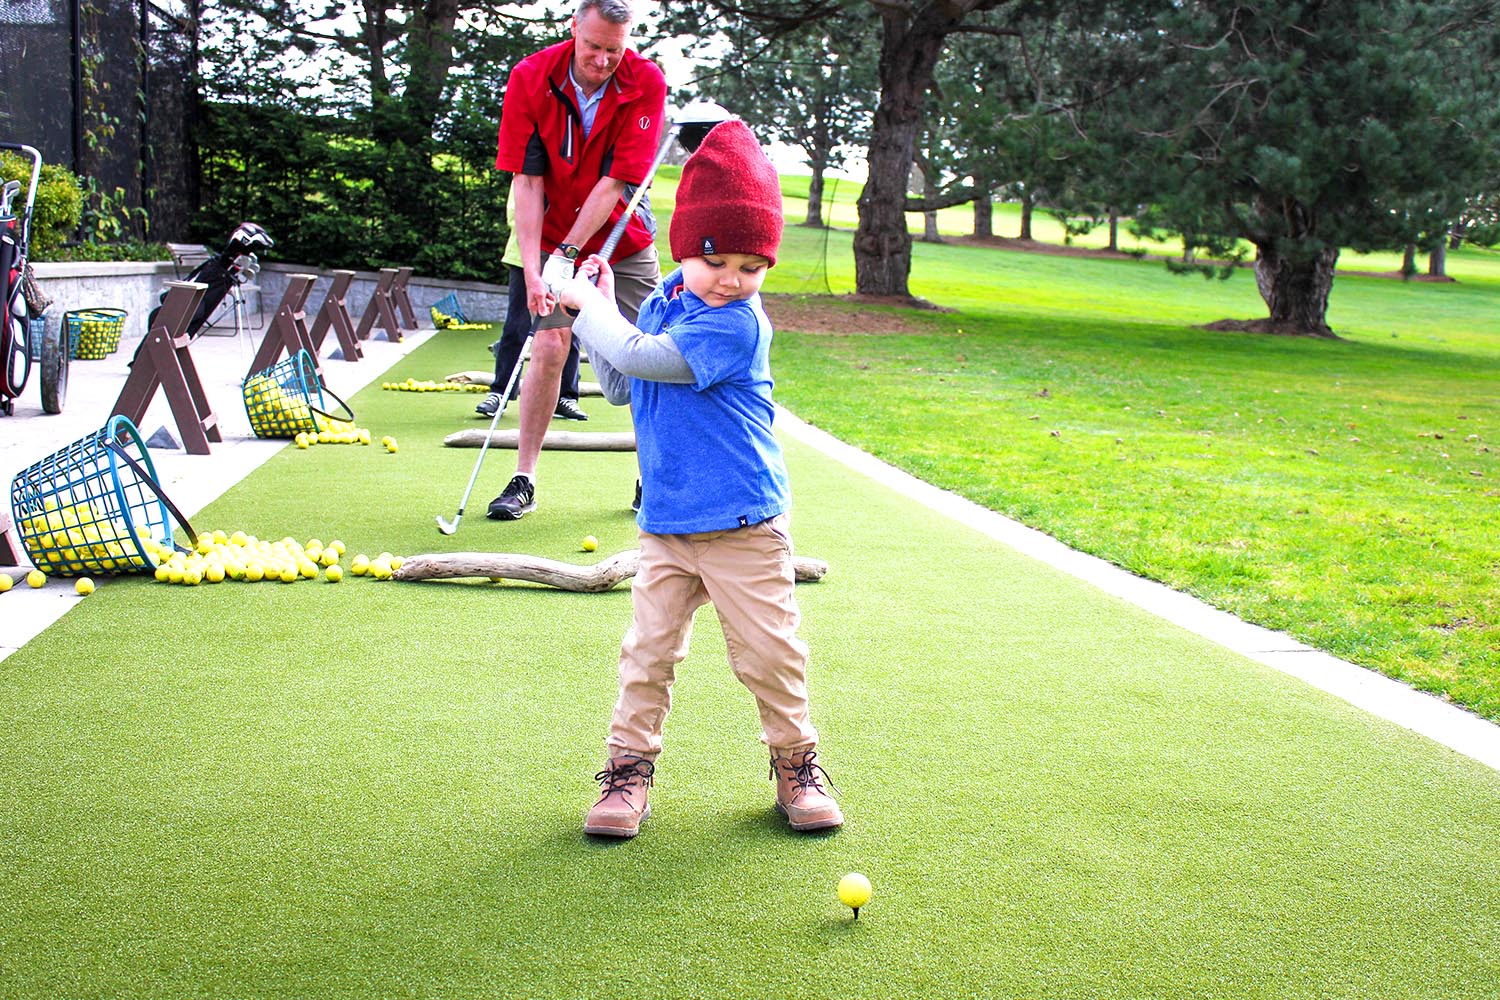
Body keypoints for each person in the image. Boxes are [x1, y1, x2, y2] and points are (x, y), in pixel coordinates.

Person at [558, 119, 842, 839]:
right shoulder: (663, 305)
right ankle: (626, 775)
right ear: (685, 249)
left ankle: (795, 765)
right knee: (646, 656)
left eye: (753, 266)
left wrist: (586, 306)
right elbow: (622, 384)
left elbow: (644, 358)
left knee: (771, 657)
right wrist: (592, 311)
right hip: (668, 524)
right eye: (717, 260)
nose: (733, 280)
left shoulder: (736, 324)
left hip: (744, 524)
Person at [486, 0, 666, 520]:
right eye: (593, 46)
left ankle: (650, 478)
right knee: (547, 343)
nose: (603, 59)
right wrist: (535, 267)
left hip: (624, 242)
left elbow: (615, 183)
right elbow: (527, 179)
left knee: (644, 357)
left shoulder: (644, 81)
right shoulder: (531, 76)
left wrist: (568, 253)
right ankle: (524, 479)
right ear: (573, 30)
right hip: (551, 233)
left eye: (615, 48)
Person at [475, 188, 588, 423]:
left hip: (566, 256)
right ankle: (500, 391)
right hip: (526, 258)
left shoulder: (572, 171)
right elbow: (518, 212)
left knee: (568, 327)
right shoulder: (530, 167)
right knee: (517, 325)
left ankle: (566, 396)